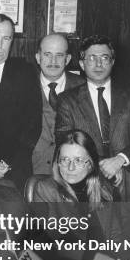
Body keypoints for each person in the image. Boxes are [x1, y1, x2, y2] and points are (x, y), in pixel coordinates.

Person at [56, 35, 130, 201]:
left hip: (129, 186)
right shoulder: (67, 100)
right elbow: (64, 141)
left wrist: (121, 160)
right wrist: (104, 165)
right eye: (92, 58)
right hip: (86, 184)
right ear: (81, 64)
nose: (98, 64)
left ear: (112, 62)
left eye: (104, 58)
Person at [32, 130, 121, 260]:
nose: (71, 167)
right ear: (57, 162)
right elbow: (55, 243)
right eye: (65, 159)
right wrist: (98, 258)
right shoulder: (46, 190)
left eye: (78, 160)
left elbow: (116, 234)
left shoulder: (104, 188)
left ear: (90, 163)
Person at [0, 14, 41, 190]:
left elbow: (33, 126)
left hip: (14, 170)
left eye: (6, 38)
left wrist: (6, 164)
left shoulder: (26, 73)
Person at [33, 33, 85, 175]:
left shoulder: (83, 87)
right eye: (48, 54)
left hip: (72, 172)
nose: (53, 61)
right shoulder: (24, 85)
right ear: (38, 57)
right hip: (31, 173)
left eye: (59, 55)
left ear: (67, 59)